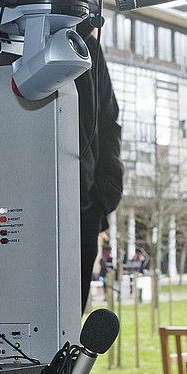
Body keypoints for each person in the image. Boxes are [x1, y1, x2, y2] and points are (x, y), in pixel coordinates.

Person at [76, 21, 123, 311]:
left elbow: (107, 123)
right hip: (4, 204)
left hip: (81, 210)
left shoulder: (87, 45)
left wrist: (101, 199)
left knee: (65, 331)